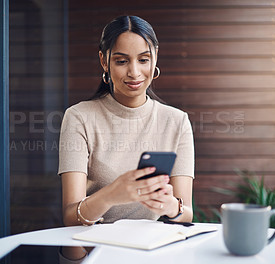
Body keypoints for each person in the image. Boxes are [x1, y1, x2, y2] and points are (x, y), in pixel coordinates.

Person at [58, 15, 194, 262]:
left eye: (143, 60)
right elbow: (70, 216)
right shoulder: (79, 117)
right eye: (121, 61)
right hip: (94, 253)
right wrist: (111, 195)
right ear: (104, 60)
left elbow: (187, 214)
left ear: (155, 58)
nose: (134, 72)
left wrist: (169, 206)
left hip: (153, 253)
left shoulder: (177, 122)